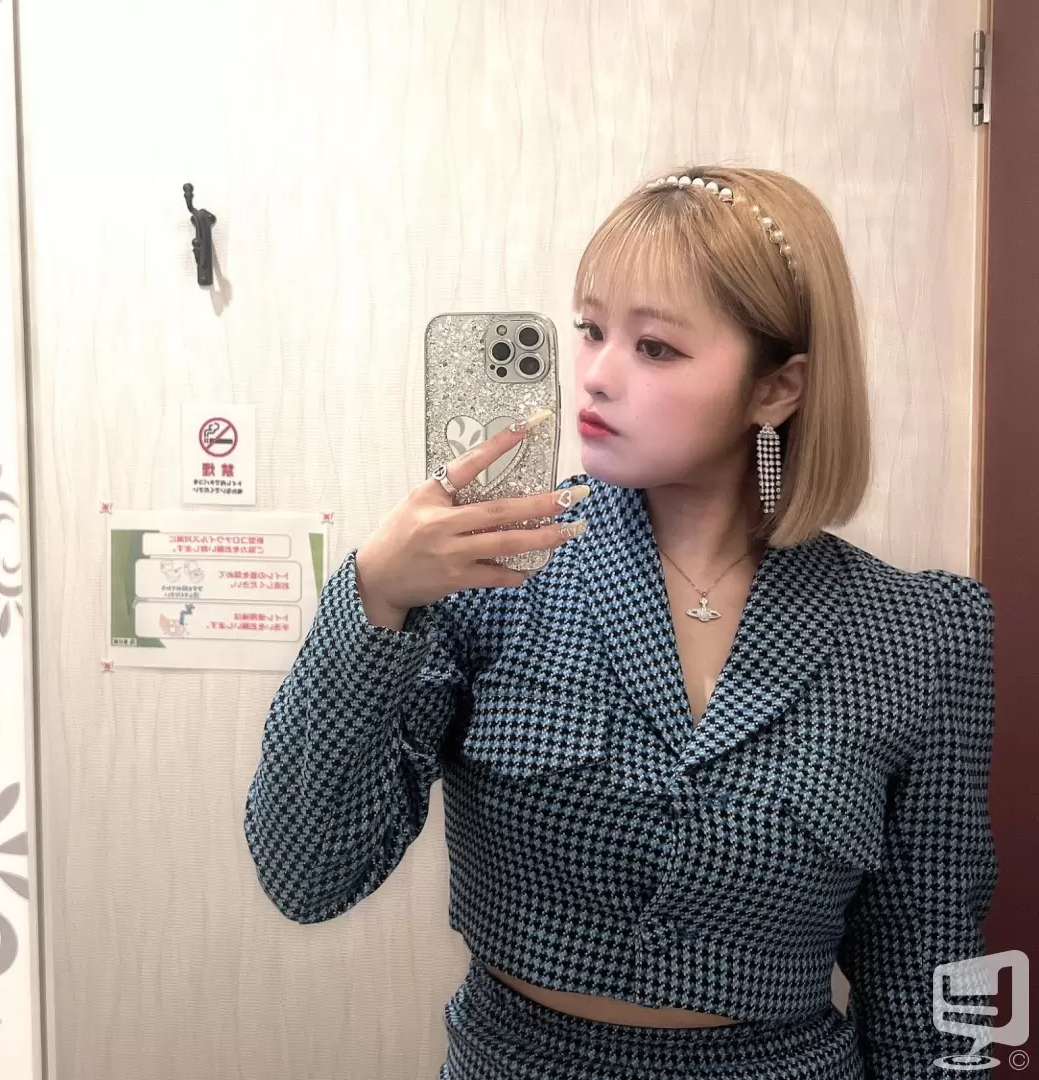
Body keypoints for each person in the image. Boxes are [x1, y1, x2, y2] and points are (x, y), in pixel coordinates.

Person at [243, 166, 998, 1080]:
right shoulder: (491, 574)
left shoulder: (919, 634)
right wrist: (373, 596)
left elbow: (930, 964)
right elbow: (308, 872)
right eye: (592, 330)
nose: (596, 376)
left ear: (777, 389)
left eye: (656, 348)